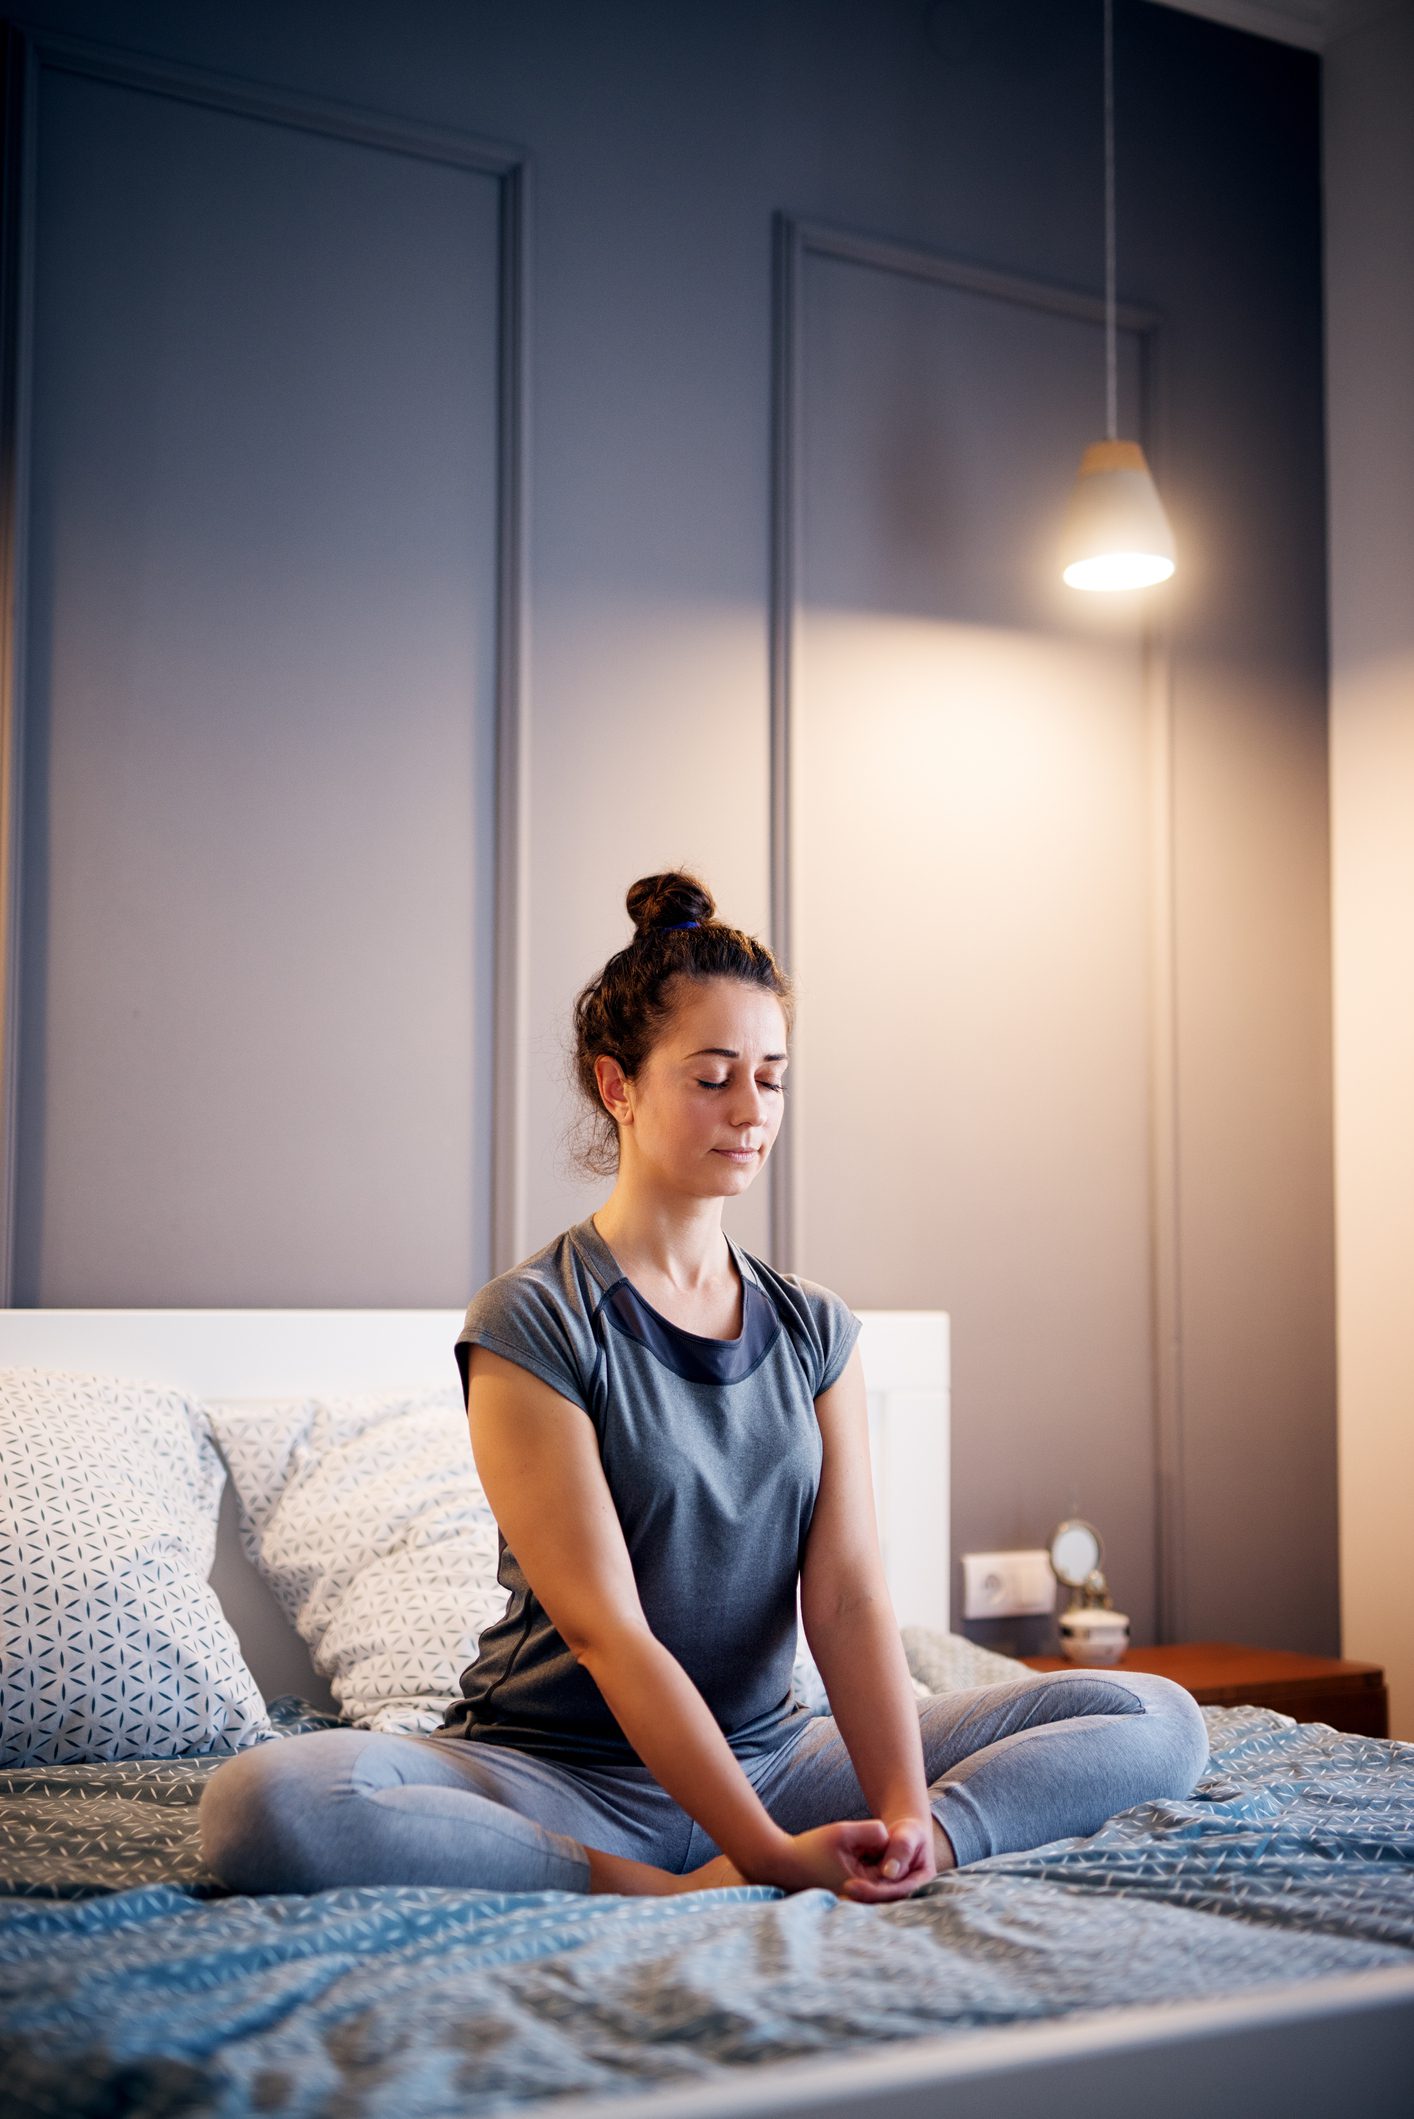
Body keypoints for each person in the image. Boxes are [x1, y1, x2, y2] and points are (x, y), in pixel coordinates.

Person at [198, 869, 1208, 1902]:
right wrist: (767, 1858)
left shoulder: (816, 1327)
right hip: (561, 1774)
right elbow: (606, 1631)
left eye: (770, 1076)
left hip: (781, 1757)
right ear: (618, 1084)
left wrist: (908, 1817)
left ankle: (901, 1858)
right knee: (265, 1804)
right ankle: (661, 1887)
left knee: (1155, 1716)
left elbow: (851, 1596)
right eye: (713, 1075)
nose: (751, 1110)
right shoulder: (533, 1319)